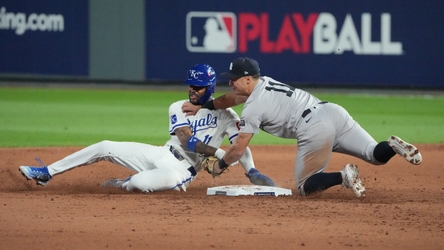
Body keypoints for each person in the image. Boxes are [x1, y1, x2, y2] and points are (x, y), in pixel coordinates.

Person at [182, 57, 422, 197]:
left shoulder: (254, 106)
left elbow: (237, 150)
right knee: (374, 154)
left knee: (305, 186)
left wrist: (220, 165)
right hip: (333, 112)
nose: (230, 82)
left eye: (234, 78)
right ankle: (391, 146)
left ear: (247, 79)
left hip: (314, 127)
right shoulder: (263, 82)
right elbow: (230, 99)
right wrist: (205, 105)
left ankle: (343, 176)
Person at [18, 63, 274, 193]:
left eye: (197, 87)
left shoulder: (227, 115)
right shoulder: (179, 106)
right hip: (160, 153)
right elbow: (185, 140)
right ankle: (47, 172)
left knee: (140, 184)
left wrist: (251, 170)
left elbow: (240, 145)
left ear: (209, 88)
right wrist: (218, 154)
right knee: (105, 146)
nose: (191, 90)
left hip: (181, 170)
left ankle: (125, 183)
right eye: (189, 85)